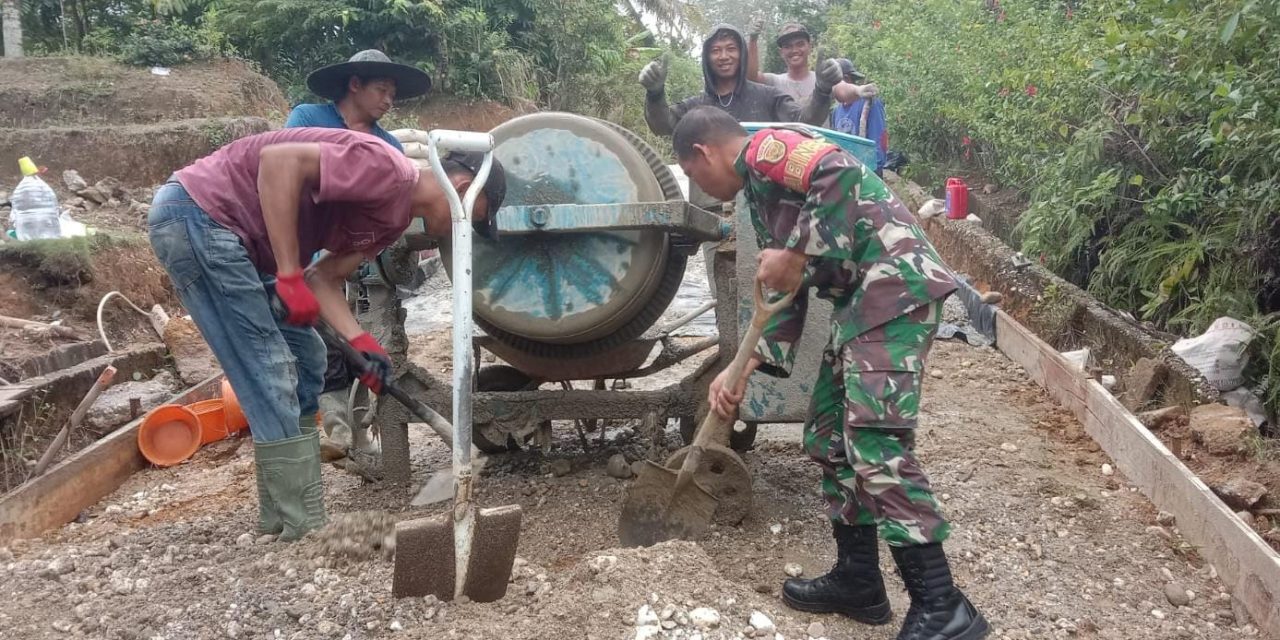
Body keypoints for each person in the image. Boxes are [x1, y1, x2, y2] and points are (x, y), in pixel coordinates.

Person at [672, 107, 987, 640]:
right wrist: (742, 367)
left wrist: (795, 251)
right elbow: (783, 296)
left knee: (875, 441)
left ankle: (943, 604)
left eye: (693, 176)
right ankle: (859, 580)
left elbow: (837, 172)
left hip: (895, 291)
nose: (703, 188)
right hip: (859, 308)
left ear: (702, 153)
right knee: (826, 436)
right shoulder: (758, 197)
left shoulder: (766, 149)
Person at [147, 128, 506, 541]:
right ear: (461, 186)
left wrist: (361, 344)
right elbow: (278, 163)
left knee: (307, 357)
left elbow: (323, 277)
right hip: (202, 216)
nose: (460, 230)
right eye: (473, 218)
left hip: (240, 242)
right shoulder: (387, 169)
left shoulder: (394, 221)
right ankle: (302, 525)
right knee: (270, 367)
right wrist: (286, 272)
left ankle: (280, 516)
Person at [285, 49, 432, 456]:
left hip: (353, 250)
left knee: (363, 340)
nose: (388, 100)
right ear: (354, 85)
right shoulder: (307, 120)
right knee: (317, 344)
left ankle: (362, 433)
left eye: (392, 93)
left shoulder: (388, 145)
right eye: (381, 89)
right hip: (301, 250)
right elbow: (290, 179)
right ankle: (333, 430)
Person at [639, 24, 840, 137]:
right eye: (716, 50)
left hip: (765, 202)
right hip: (710, 203)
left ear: (742, 54)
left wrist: (822, 89)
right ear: (707, 59)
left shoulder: (768, 97)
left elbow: (806, 121)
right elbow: (662, 126)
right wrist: (655, 94)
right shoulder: (696, 106)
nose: (724, 56)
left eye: (731, 48)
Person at [746, 21, 878, 107]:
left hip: (819, 148)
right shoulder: (774, 81)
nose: (795, 50)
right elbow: (751, 78)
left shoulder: (821, 80)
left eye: (800, 44)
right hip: (785, 148)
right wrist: (753, 40)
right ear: (781, 52)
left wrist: (858, 90)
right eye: (788, 46)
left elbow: (841, 89)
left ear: (810, 47)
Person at [829, 59, 889, 177]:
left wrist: (870, 172)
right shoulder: (836, 110)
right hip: (845, 174)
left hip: (868, 174)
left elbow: (879, 142)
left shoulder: (870, 104)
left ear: (845, 79)